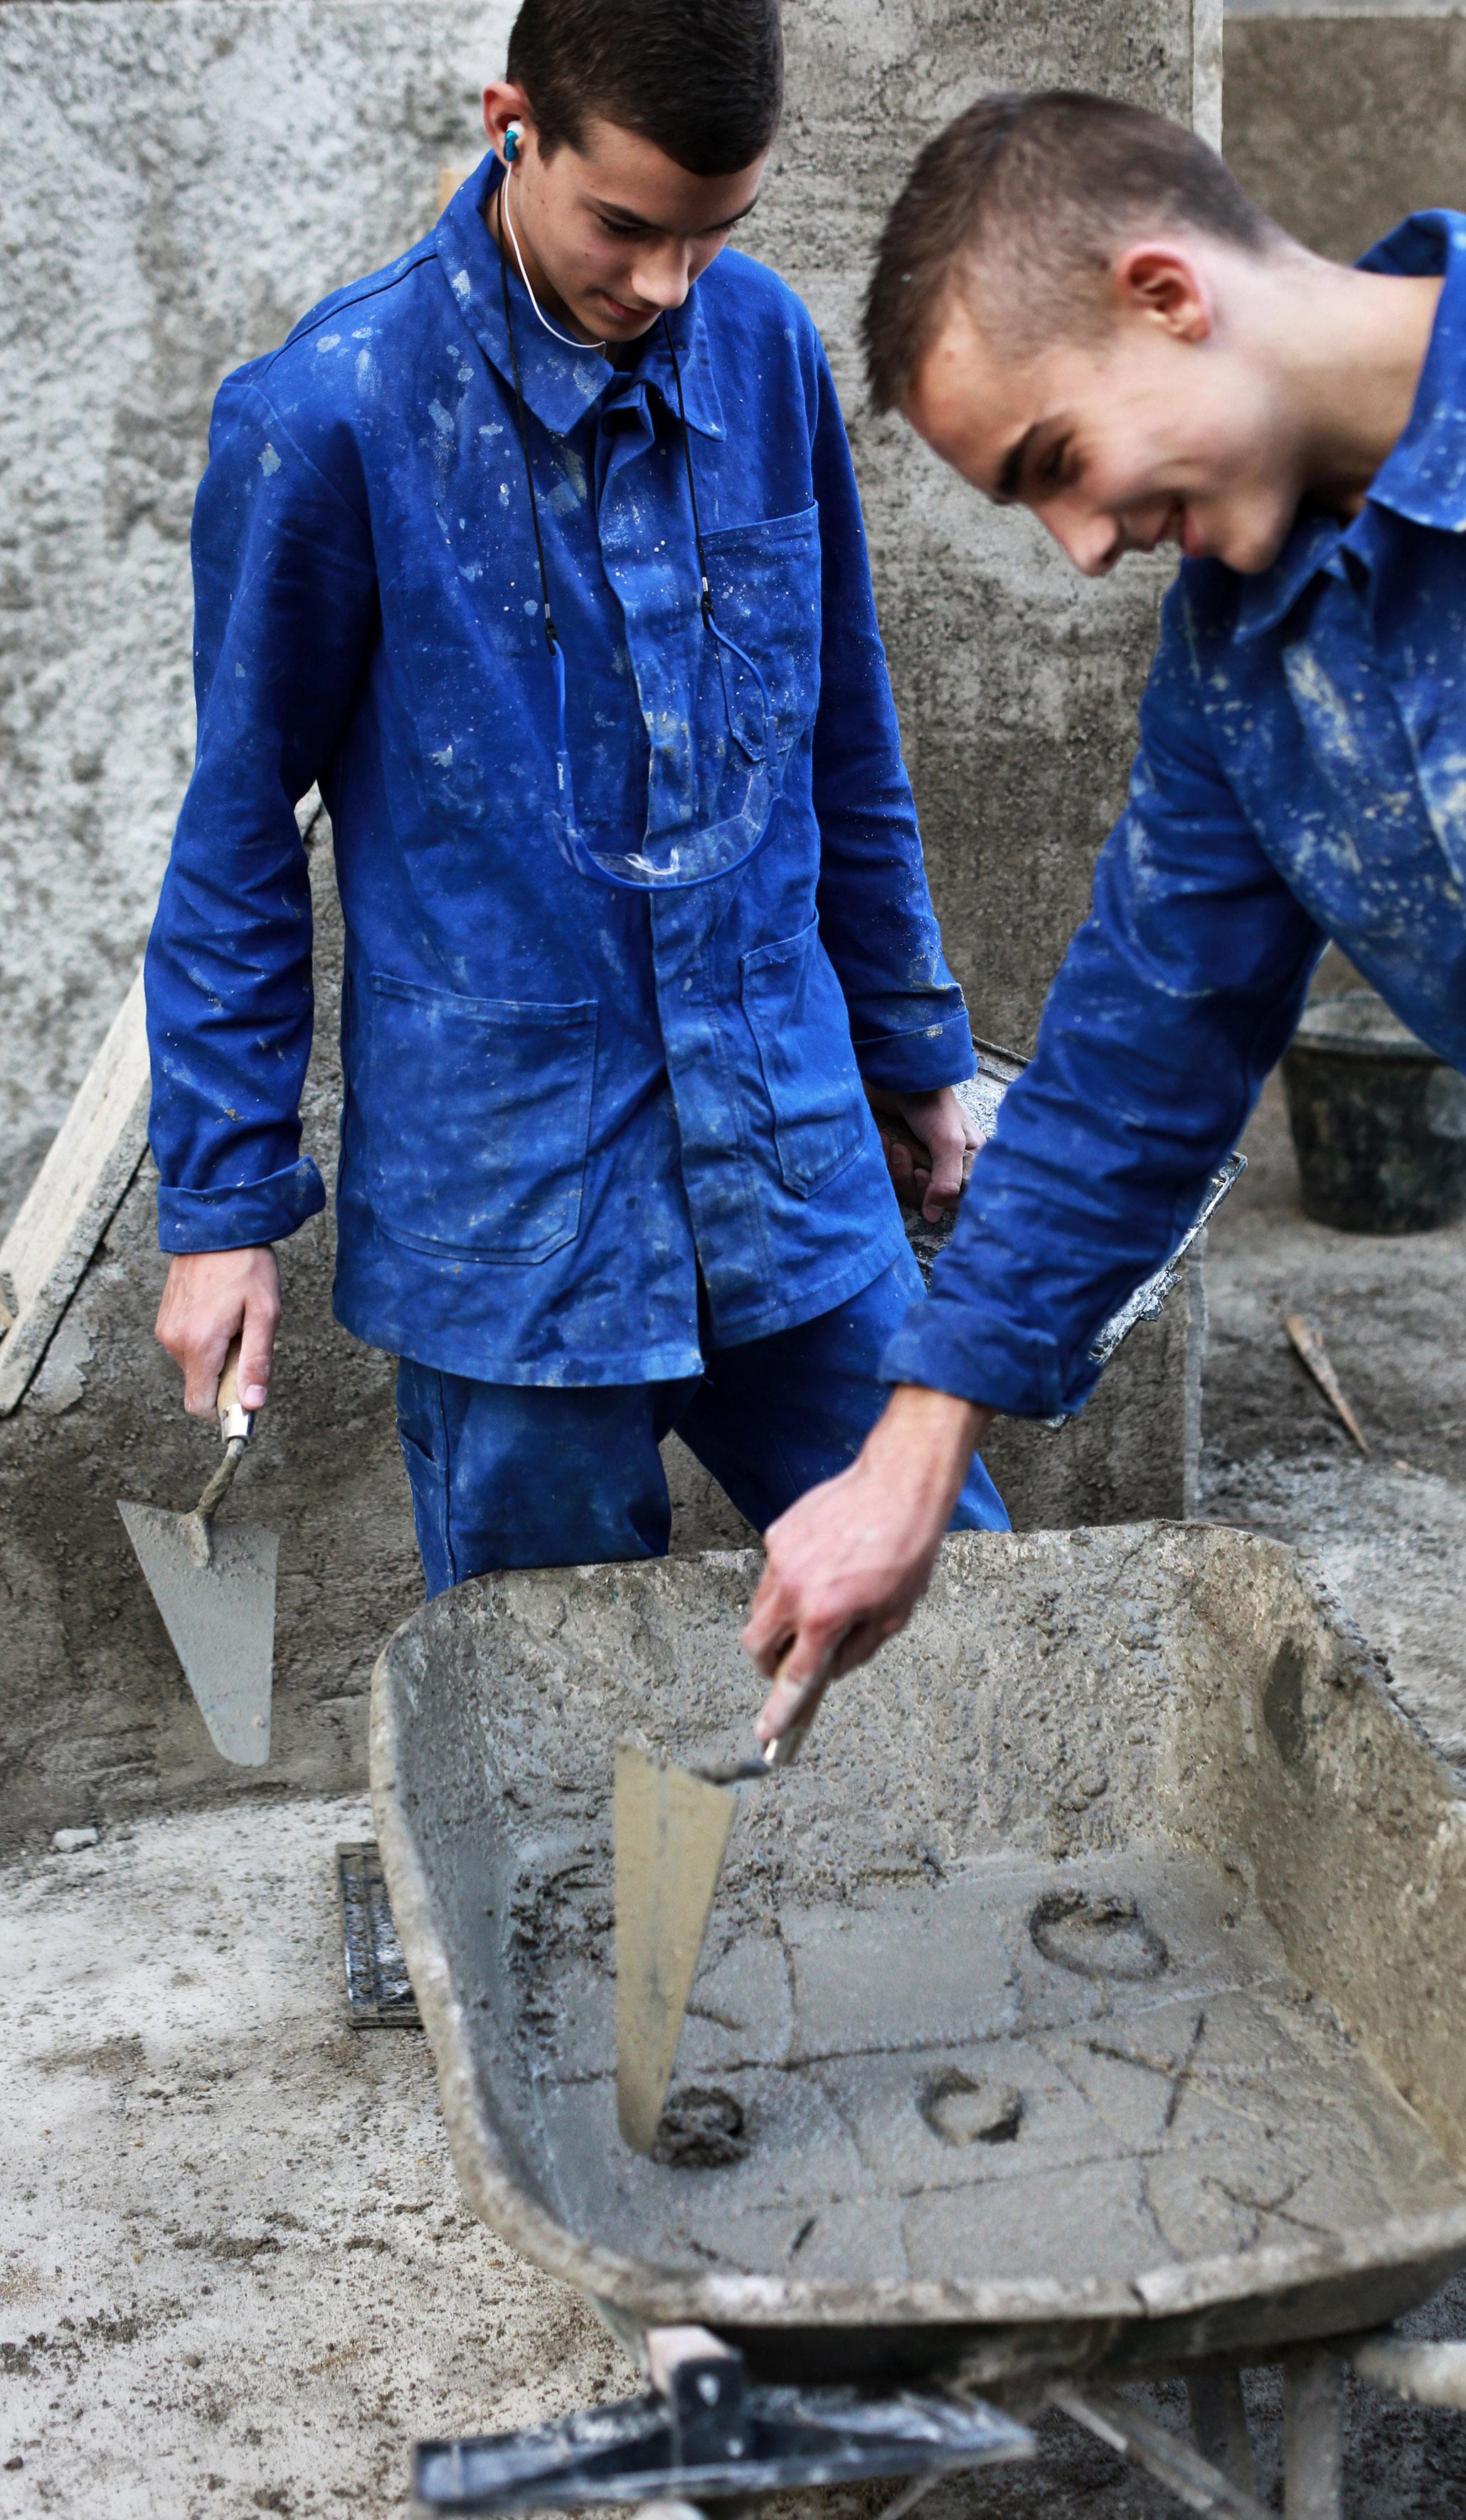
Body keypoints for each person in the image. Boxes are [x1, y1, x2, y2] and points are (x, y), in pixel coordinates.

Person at [745, 92, 1466, 2520]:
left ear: (1169, 290)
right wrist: (906, 1457)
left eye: (1054, 459)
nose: (1071, 543)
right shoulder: (1246, 675)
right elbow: (1136, 1063)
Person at [144, 0, 1007, 1590]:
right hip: (513, 1220)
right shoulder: (329, 415)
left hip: (792, 1161)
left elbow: (842, 733)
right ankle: (633, 1858)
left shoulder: (758, 349)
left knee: (962, 1610)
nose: (665, 283)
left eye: (711, 232)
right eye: (624, 226)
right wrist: (219, 1206)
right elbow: (235, 838)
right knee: (563, 1736)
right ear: (511, 124)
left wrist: (907, 1044)